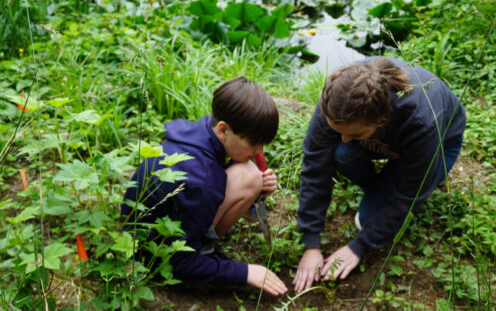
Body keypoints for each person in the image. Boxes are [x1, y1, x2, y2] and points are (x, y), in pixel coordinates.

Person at [293, 57, 466, 293]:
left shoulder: (420, 121)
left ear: (381, 119)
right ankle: (381, 186)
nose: (343, 138)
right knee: (343, 152)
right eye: (338, 130)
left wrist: (359, 246)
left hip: (442, 143)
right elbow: (314, 167)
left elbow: (409, 194)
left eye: (354, 134)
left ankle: (390, 184)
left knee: (367, 221)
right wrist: (311, 243)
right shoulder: (337, 102)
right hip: (387, 140)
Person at [121, 77, 287, 296]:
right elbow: (179, 263)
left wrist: (259, 188)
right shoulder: (203, 182)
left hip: (137, 228)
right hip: (152, 256)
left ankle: (204, 243)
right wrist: (244, 272)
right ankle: (206, 252)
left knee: (251, 175)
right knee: (248, 175)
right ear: (223, 130)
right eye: (253, 143)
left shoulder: (196, 134)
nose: (259, 151)